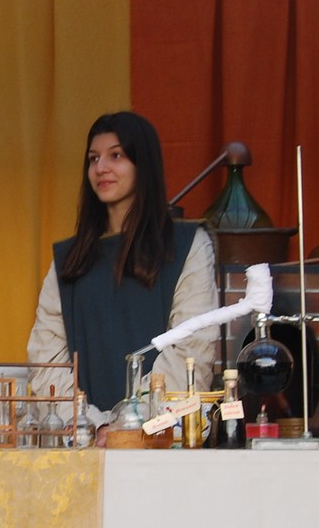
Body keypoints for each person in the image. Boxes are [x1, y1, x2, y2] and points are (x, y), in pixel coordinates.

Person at [27, 111, 219, 431]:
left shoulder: (188, 245)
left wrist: (129, 424)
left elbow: (192, 350)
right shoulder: (68, 259)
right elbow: (46, 360)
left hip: (161, 439)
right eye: (93, 158)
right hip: (83, 440)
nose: (101, 168)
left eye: (116, 155)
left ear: (143, 164)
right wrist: (91, 426)